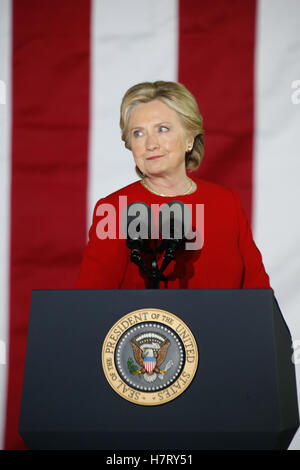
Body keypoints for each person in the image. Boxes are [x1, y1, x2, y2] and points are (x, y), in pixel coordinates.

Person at [74, 81, 271, 289]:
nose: (150, 144)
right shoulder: (115, 210)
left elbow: (258, 295)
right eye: (138, 133)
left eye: (162, 129)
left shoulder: (225, 203)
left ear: (189, 139)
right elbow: (90, 304)